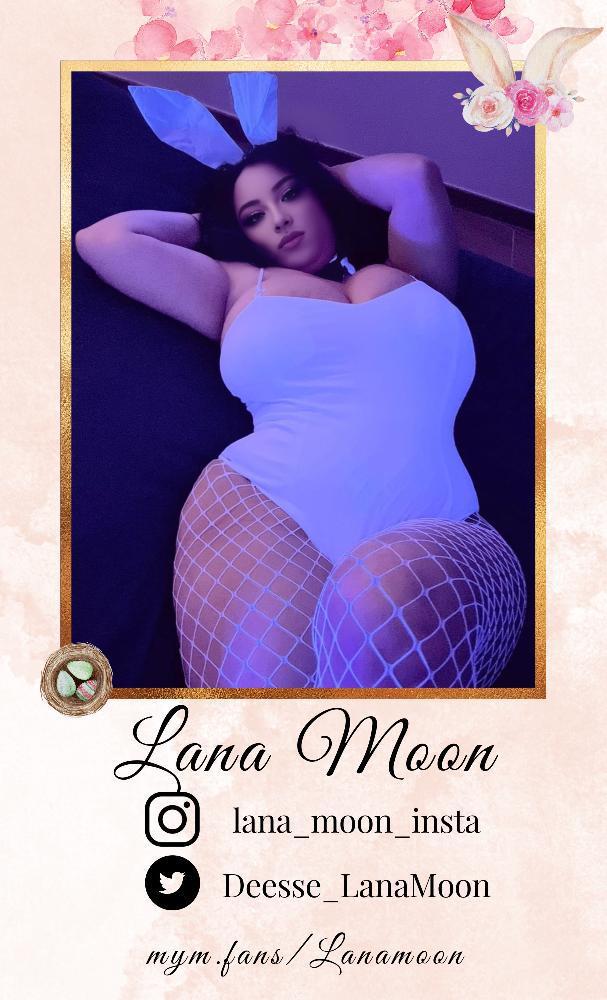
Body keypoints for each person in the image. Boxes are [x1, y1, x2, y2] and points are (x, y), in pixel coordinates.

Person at [75, 125, 527, 690]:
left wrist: (312, 174)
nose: (280, 219)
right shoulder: (236, 285)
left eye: (290, 195)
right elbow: (107, 240)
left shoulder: (414, 274)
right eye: (254, 216)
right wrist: (210, 220)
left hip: (438, 518)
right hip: (268, 500)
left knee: (377, 598)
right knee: (263, 708)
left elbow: (414, 174)